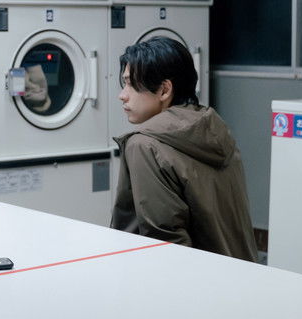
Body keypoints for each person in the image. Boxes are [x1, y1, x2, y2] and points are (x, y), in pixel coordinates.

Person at [110, 36, 258, 262]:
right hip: (239, 273)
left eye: (131, 84)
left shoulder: (145, 145)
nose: (123, 95)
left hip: (193, 286)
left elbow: (164, 241)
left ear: (164, 90)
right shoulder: (213, 128)